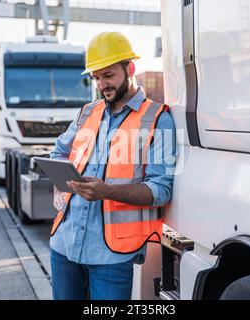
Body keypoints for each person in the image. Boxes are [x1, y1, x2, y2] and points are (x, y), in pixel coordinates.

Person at [49, 32, 177, 300]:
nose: (102, 84)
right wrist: (61, 183)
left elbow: (161, 190)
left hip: (112, 254)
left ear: (129, 69)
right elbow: (59, 152)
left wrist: (106, 191)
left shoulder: (157, 118)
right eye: (96, 77)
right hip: (64, 242)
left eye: (108, 75)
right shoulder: (89, 111)